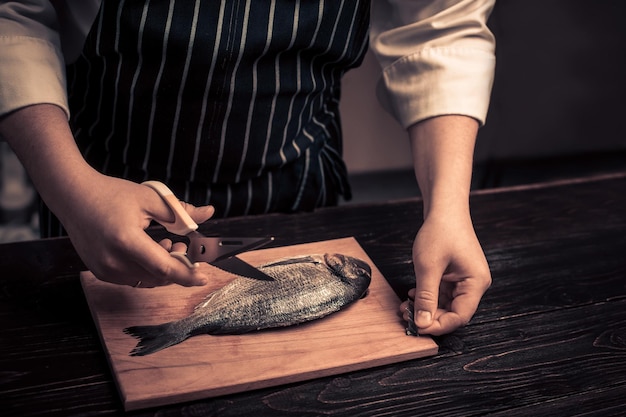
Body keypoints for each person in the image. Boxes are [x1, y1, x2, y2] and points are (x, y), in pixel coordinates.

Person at [0, 0, 494, 336]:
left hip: (298, 183)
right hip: (97, 184)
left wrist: (449, 209)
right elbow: (12, 15)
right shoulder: (82, 190)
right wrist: (72, 189)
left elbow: (439, 27)